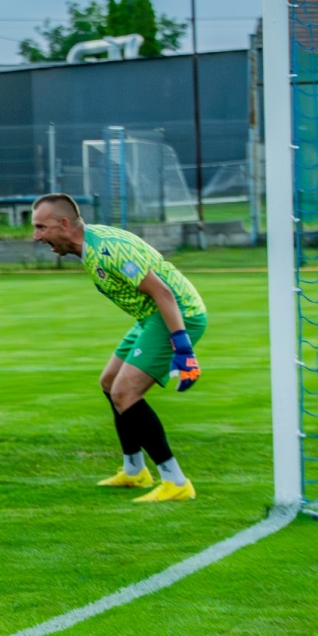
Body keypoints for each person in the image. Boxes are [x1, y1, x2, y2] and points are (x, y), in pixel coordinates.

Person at [31, 193, 206, 503]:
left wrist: (183, 349)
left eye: (41, 227)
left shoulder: (108, 251)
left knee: (125, 393)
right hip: (149, 316)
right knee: (110, 382)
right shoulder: (90, 245)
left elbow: (163, 293)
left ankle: (175, 481)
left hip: (177, 314)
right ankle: (135, 471)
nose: (36, 236)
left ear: (64, 224)